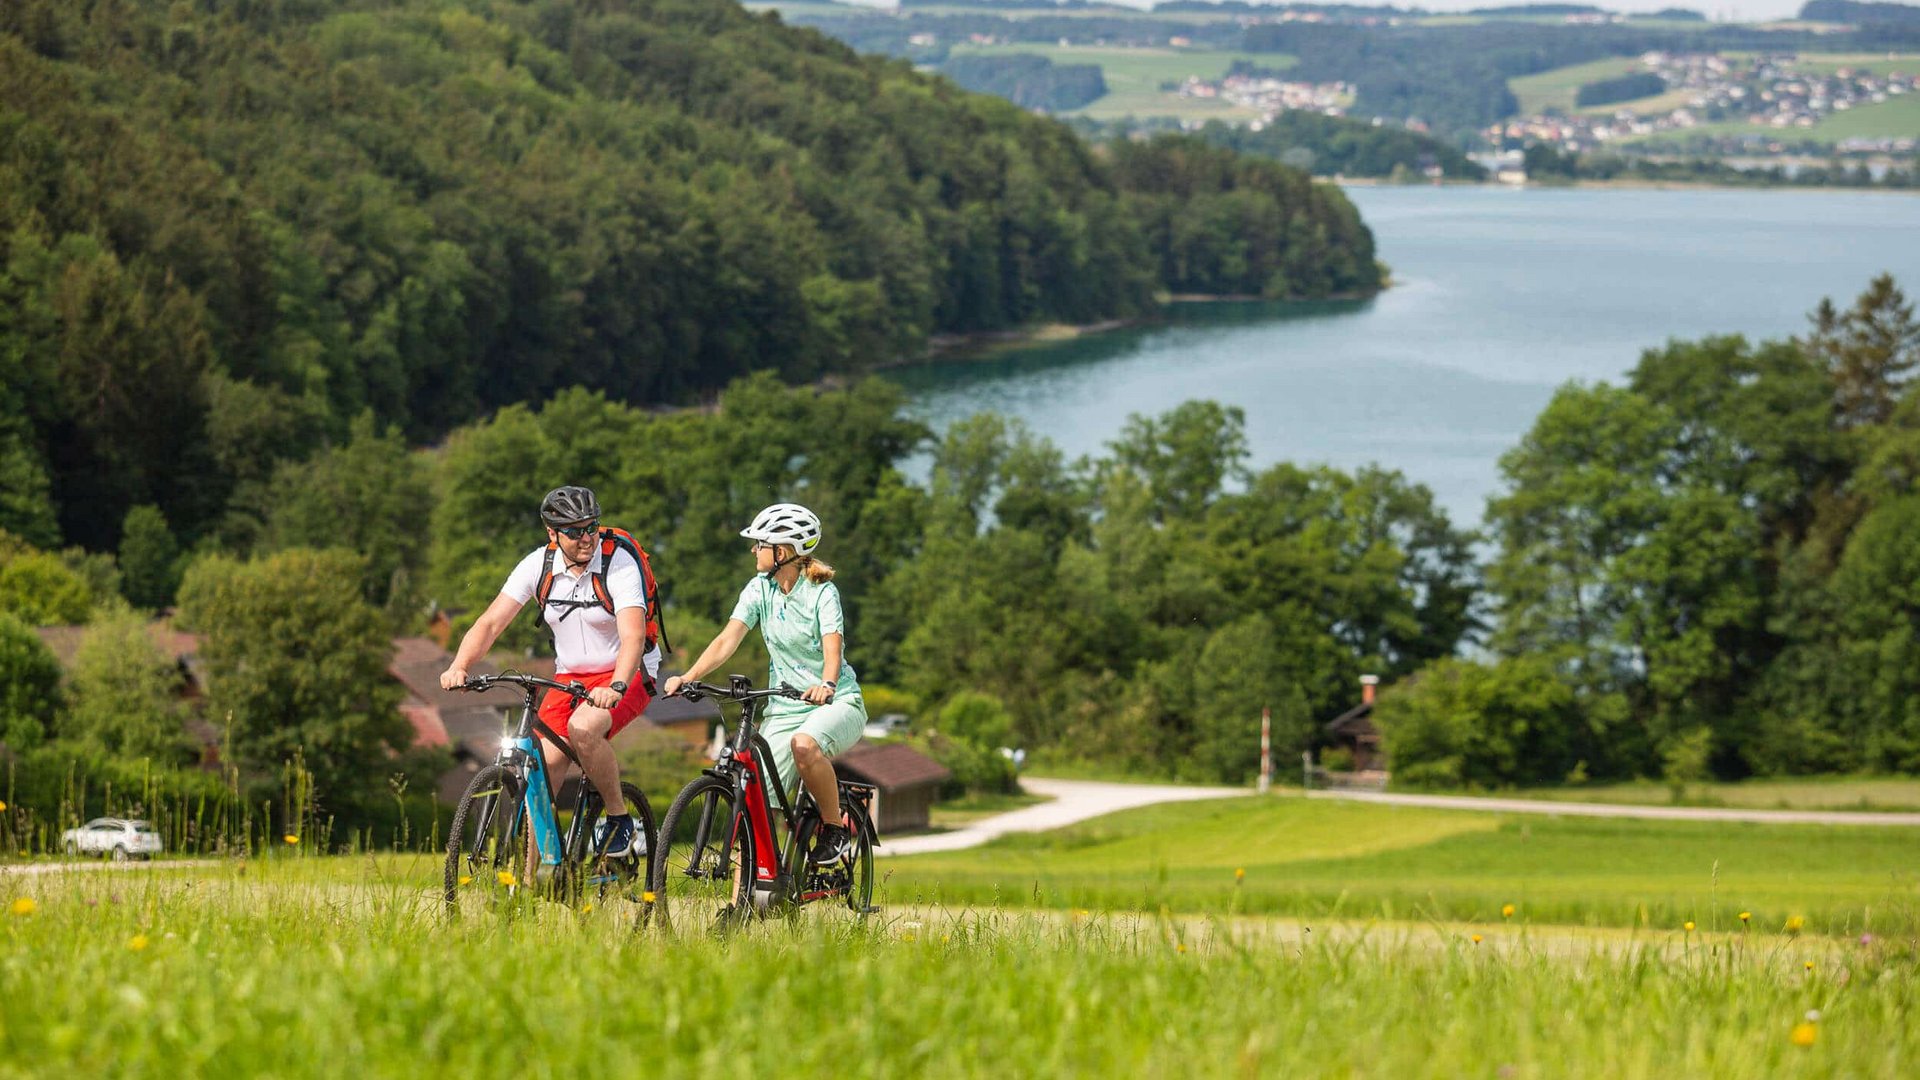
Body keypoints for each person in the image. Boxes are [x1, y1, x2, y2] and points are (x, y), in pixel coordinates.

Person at [439, 486, 659, 857]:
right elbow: (491, 623)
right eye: (574, 531)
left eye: (592, 527)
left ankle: (619, 818)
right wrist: (460, 665)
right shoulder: (538, 565)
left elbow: (633, 636)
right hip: (570, 678)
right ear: (552, 533)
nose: (586, 538)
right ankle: (538, 876)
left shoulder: (617, 564)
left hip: (628, 671)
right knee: (542, 770)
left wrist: (617, 684)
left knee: (584, 728)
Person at [664, 503, 866, 863]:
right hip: (785, 707)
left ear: (782, 552)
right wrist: (689, 676)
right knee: (756, 804)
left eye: (760, 544)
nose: (754, 550)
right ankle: (742, 905)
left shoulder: (822, 593)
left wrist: (827, 684)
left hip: (836, 702)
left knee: (804, 746)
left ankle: (835, 830)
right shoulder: (759, 589)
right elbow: (728, 639)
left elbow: (832, 649)